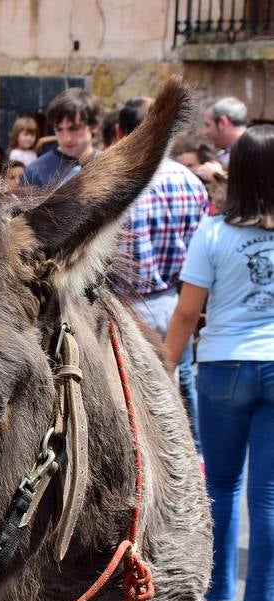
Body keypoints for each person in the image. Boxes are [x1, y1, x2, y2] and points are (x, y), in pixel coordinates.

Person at [164, 124, 274, 601]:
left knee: (223, 489)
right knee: (269, 497)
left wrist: (165, 363)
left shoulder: (213, 234)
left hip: (225, 363)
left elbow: (187, 312)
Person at [117, 97, 207, 449]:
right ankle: (189, 450)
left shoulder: (124, 184)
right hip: (175, 297)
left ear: (123, 133)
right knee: (180, 383)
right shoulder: (191, 183)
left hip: (130, 304)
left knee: (134, 390)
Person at [21, 88, 101, 190]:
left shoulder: (111, 166)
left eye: (74, 128)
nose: (67, 138)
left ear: (94, 126)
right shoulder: (34, 172)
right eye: (59, 129)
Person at [202, 96, 248, 167]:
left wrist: (216, 176)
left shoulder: (252, 152)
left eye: (208, 125)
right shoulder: (224, 153)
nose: (205, 132)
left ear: (222, 123)